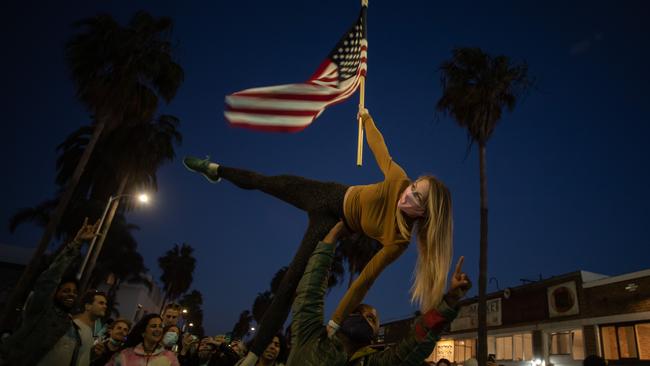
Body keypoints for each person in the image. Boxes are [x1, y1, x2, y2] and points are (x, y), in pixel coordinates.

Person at [183, 106, 454, 360]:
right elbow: (380, 150)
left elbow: (365, 280)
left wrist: (335, 322)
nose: (409, 195)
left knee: (290, 283)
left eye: (417, 198)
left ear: (424, 214)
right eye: (415, 187)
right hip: (328, 194)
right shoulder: (398, 181)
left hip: (330, 225)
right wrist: (367, 119)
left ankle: (254, 354)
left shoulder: (399, 241)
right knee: (267, 182)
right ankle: (216, 169)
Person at [286, 221, 470, 366]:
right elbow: (310, 290)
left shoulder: (373, 363)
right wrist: (334, 234)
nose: (367, 318)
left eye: (373, 320)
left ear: (374, 336)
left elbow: (414, 346)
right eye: (362, 313)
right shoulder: (310, 337)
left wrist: (451, 299)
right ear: (347, 315)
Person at [0, 218, 100, 366]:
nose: (71, 294)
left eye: (74, 292)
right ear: (54, 293)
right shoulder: (40, 310)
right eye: (65, 290)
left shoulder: (70, 325)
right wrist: (76, 244)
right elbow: (49, 279)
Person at [108, 313, 179, 366]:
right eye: (153, 326)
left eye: (160, 326)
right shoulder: (125, 355)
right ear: (143, 332)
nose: (158, 329)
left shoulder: (169, 357)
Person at [74, 290, 109, 365]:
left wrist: (92, 354)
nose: (105, 306)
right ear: (88, 306)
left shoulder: (89, 330)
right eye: (101, 303)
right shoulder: (75, 327)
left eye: (105, 304)